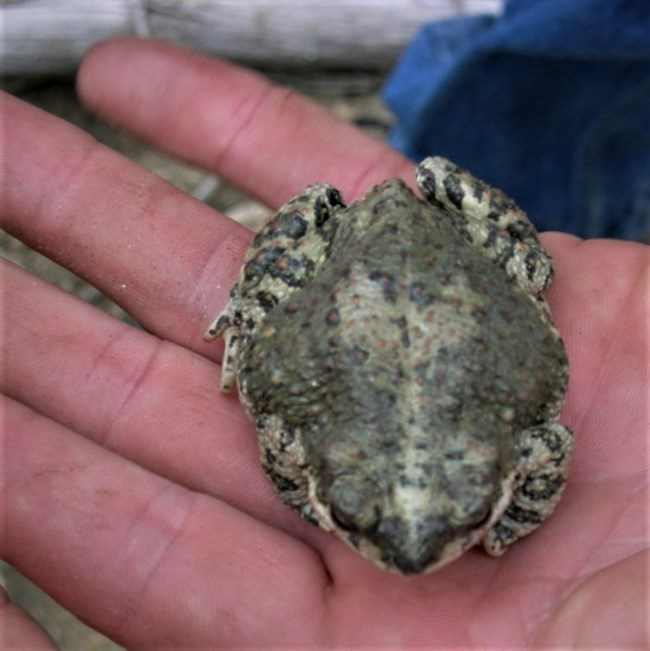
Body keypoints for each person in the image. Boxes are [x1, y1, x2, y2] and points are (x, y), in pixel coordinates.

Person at [1, 38, 647, 649]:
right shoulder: (314, 452)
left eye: (472, 511)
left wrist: (503, 518)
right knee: (526, 272)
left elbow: (552, 445)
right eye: (355, 512)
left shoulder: (489, 454)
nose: (414, 550)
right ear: (326, 477)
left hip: (446, 271)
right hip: (356, 263)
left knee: (533, 271)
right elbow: (549, 443)